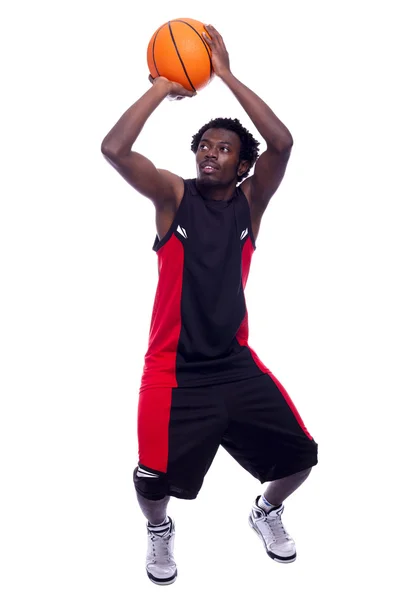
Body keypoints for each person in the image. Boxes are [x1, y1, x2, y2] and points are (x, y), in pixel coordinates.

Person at [101, 24, 318, 586]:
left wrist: (222, 74)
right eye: (204, 145)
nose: (211, 154)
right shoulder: (174, 197)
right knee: (151, 481)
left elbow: (284, 143)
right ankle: (158, 531)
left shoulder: (250, 204)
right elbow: (114, 149)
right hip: (172, 372)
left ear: (244, 165)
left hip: (234, 364)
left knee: (301, 457)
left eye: (224, 148)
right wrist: (163, 85)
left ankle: (266, 511)